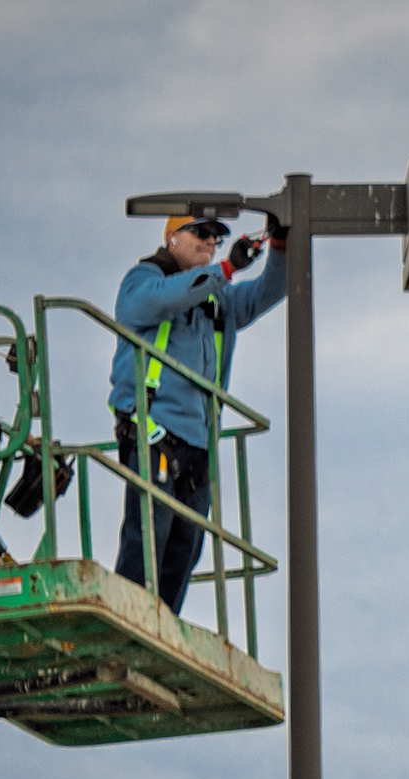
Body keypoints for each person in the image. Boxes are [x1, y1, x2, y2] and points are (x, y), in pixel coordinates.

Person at [108, 211, 287, 612]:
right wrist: (226, 268)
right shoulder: (142, 280)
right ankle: (128, 622)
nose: (209, 242)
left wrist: (281, 244)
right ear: (171, 236)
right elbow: (159, 301)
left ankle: (162, 630)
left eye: (216, 238)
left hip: (197, 444)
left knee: (184, 550)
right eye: (200, 233)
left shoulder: (219, 299)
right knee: (147, 540)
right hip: (152, 431)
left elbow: (270, 290)